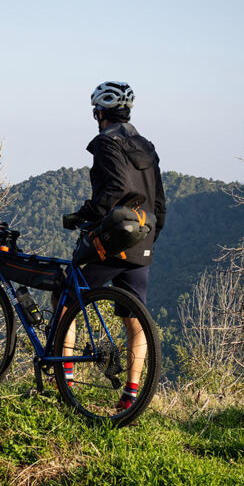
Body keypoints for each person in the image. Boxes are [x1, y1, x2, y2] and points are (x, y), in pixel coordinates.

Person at [62, 81, 166, 410]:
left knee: (65, 299)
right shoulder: (146, 145)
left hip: (115, 240)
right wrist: (150, 234)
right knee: (134, 318)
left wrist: (83, 214)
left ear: (99, 112)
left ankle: (64, 378)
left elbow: (112, 192)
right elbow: (159, 201)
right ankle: (131, 394)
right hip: (144, 238)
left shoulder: (108, 143)